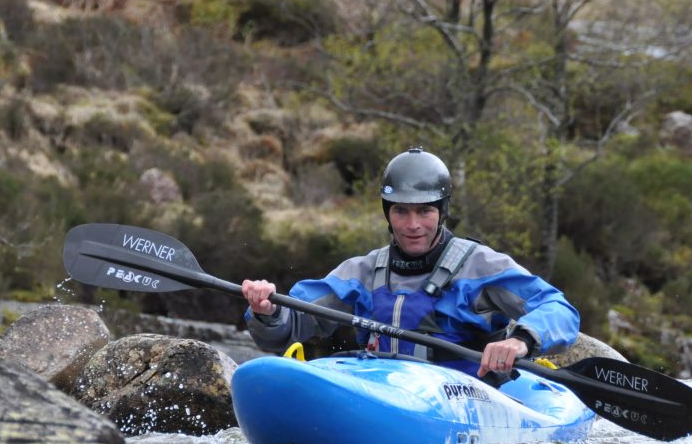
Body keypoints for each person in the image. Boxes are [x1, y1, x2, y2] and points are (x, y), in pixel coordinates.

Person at [241, 147, 579, 379]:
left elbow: (559, 308)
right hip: (383, 388)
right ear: (388, 213)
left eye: (424, 211)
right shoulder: (362, 272)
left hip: (466, 392)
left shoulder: (482, 267)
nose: (413, 225)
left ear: (442, 211)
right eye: (401, 211)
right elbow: (292, 322)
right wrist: (267, 311)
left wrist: (521, 340)